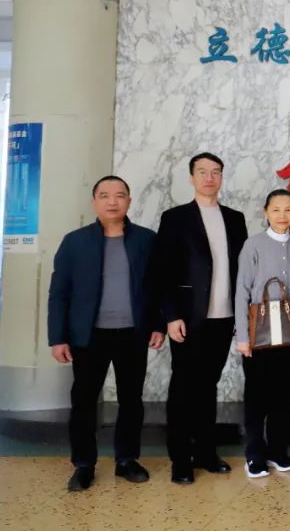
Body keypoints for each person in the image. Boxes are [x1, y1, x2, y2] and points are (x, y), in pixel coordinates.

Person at [48, 176, 164, 492]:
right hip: (88, 337)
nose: (112, 201)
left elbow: (156, 288)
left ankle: (126, 460)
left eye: (120, 195)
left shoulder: (146, 240)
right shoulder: (75, 242)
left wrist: (158, 324)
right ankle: (84, 464)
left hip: (133, 334)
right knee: (84, 401)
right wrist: (57, 337)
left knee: (131, 400)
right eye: (104, 195)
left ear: (129, 201)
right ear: (94, 202)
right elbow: (59, 293)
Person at [149, 152, 248, 484]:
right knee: (183, 387)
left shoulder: (235, 219)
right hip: (188, 318)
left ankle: (206, 452)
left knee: (208, 386)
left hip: (224, 317)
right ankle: (180, 458)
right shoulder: (176, 218)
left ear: (221, 177)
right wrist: (171, 315)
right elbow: (162, 271)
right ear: (191, 178)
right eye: (202, 172)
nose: (209, 178)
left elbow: (241, 271)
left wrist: (242, 316)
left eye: (215, 172)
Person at [234, 189, 290, 478]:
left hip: (289, 331)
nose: (282, 215)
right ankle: (254, 454)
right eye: (276, 209)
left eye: (288, 209)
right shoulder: (253, 245)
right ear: (266, 212)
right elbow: (241, 291)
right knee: (257, 395)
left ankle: (278, 451)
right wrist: (243, 336)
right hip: (259, 332)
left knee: (283, 393)